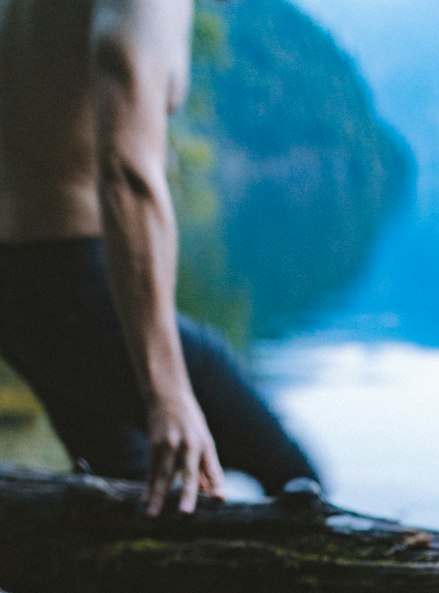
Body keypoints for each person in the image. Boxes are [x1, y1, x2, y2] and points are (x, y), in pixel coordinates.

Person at [0, 0, 318, 515]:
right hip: (72, 276)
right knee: (298, 485)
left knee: (138, 507)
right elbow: (128, 171)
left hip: (19, 280)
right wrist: (167, 393)